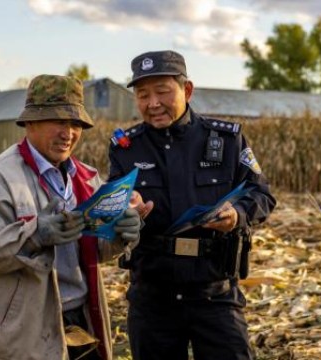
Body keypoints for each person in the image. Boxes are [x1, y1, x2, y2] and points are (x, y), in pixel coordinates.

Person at [108, 50, 276, 360]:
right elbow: (110, 209)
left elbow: (261, 194)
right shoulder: (126, 148)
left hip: (214, 292)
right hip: (152, 295)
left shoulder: (226, 140)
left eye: (162, 91)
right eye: (143, 95)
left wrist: (237, 215)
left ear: (186, 90)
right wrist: (124, 208)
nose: (152, 103)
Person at [0, 74, 141, 360]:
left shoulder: (85, 178)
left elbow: (93, 249)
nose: (68, 133)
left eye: (75, 124)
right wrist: (35, 236)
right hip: (24, 328)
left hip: (81, 320)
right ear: (30, 122)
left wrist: (120, 235)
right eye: (58, 121)